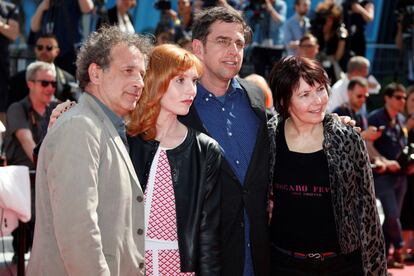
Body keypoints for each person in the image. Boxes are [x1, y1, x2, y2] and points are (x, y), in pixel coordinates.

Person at [27, 26, 151, 275]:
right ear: (95, 73)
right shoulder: (80, 127)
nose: (139, 82)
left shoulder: (103, 125)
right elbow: (78, 231)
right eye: (128, 71)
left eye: (142, 74)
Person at [267, 55, 386, 275]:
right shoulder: (268, 138)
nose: (318, 100)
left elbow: (367, 211)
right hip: (284, 264)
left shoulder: (347, 137)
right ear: (284, 100)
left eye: (320, 89)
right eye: (305, 94)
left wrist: (376, 269)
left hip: (341, 265)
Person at [180, 6, 271, 276]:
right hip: (206, 257)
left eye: (239, 43)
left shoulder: (256, 97)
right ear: (198, 47)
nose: (234, 50)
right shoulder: (179, 104)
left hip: (259, 254)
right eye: (222, 41)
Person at [127, 43, 221, 275]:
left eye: (194, 81)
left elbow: (208, 233)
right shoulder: (125, 139)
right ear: (156, 81)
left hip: (180, 268)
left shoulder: (205, 150)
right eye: (180, 80)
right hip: (129, 264)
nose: (191, 90)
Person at [3, 61, 58, 263]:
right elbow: (29, 145)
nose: (50, 88)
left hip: (49, 175)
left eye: (53, 83)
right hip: (24, 179)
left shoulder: (58, 107)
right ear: (30, 84)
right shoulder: (17, 109)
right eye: (45, 83)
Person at [367, 83, 408, 269]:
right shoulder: (375, 117)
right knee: (391, 216)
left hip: (401, 176)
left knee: (393, 217)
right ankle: (399, 247)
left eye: (404, 97)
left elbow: (402, 146)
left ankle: (384, 258)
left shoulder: (400, 119)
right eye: (398, 97)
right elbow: (368, 144)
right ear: (387, 98)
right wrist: (384, 161)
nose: (403, 101)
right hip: (382, 176)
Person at [8, 34, 78, 107]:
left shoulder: (68, 79)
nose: (44, 51)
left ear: (57, 52)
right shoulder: (17, 80)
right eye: (40, 47)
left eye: (49, 48)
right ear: (35, 50)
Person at [30, 0, 94, 75]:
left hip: (69, 53)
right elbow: (34, 27)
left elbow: (88, 8)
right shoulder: (46, 3)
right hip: (48, 53)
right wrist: (42, 7)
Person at [333, 76, 382, 141]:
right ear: (349, 93)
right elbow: (340, 141)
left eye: (365, 96)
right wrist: (364, 135)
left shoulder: (361, 114)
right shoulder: (340, 113)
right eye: (359, 96)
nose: (363, 100)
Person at [0, 0, 19, 124]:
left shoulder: (9, 8)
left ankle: (1, 143)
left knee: (1, 107)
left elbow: (13, 33)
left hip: (1, 66)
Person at [401, 85, 414, 261]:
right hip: (404, 174)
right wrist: (407, 127)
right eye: (412, 100)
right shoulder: (401, 121)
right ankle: (402, 248)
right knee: (405, 210)